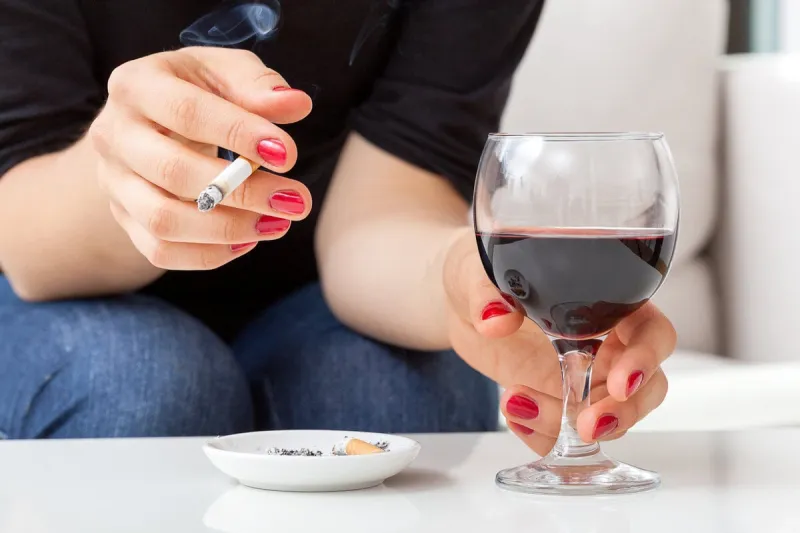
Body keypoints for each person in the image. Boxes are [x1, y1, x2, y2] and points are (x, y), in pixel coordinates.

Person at [0, 0, 675, 454]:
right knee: (146, 379)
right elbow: (30, 246)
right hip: (56, 268)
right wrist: (125, 175)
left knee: (384, 396)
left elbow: (389, 202)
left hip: (327, 291)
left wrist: (462, 281)